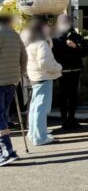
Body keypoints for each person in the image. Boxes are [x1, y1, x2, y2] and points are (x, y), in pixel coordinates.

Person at [22, 17, 62, 146]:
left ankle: (33, 133)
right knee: (41, 108)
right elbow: (44, 62)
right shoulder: (41, 42)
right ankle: (40, 137)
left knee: (35, 107)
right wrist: (58, 67)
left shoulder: (31, 40)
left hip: (35, 76)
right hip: (43, 76)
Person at [52, 14, 88, 130]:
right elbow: (52, 53)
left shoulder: (76, 36)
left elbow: (87, 50)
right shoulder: (54, 37)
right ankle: (64, 120)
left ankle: (72, 118)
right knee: (63, 96)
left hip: (75, 69)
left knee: (73, 96)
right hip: (62, 70)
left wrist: (75, 47)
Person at [0, 13, 27, 165]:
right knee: (2, 115)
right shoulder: (15, 35)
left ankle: (5, 151)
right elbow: (24, 57)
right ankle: (8, 150)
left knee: (0, 117)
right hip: (12, 80)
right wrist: (19, 75)